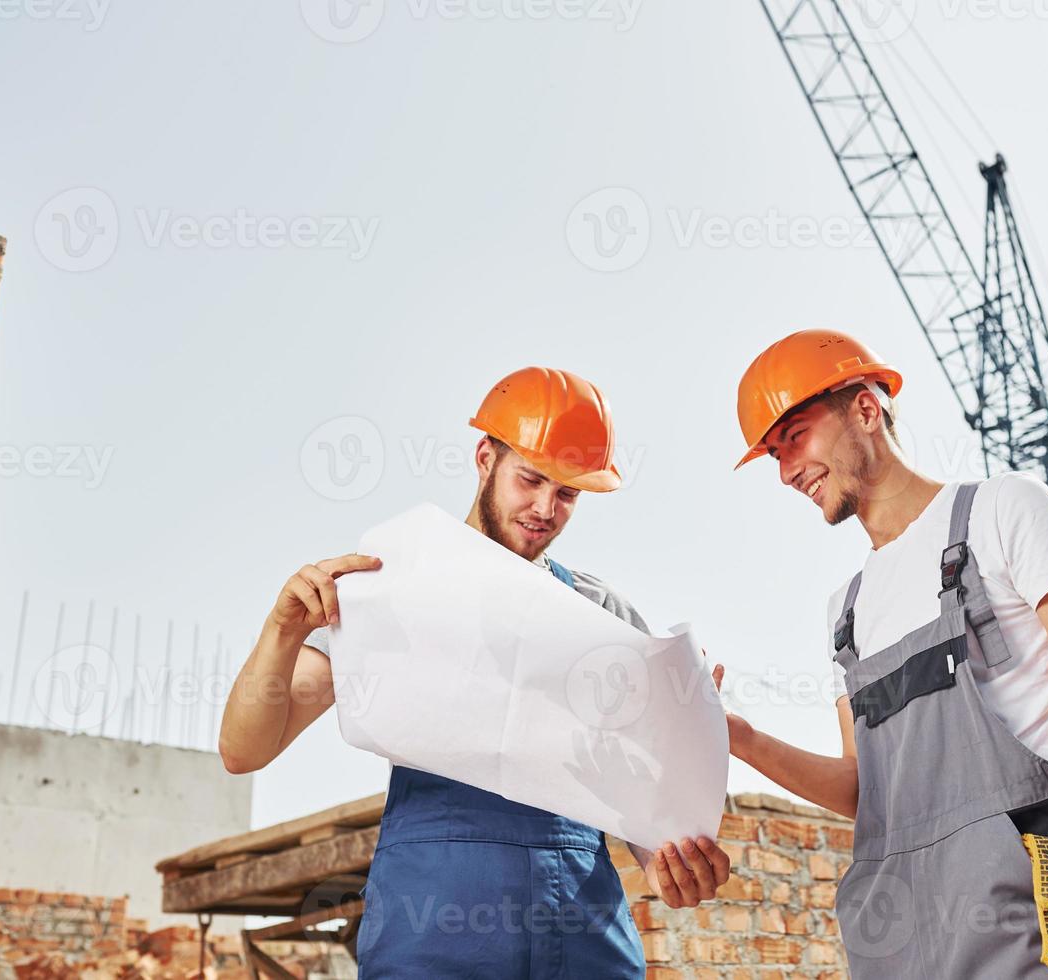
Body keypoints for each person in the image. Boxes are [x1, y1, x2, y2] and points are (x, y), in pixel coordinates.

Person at [218, 366, 730, 977]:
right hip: (434, 923)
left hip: (579, 926)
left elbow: (645, 797)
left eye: (567, 493)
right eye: (531, 479)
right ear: (485, 457)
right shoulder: (392, 589)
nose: (545, 508)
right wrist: (281, 631)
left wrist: (671, 860)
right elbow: (244, 750)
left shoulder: (601, 614)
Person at [723, 330, 1048, 979]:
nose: (785, 468)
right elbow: (867, 789)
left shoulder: (1002, 511)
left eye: (794, 435)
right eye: (772, 453)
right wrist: (740, 738)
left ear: (866, 410)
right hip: (900, 938)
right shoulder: (845, 611)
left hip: (1032, 912)